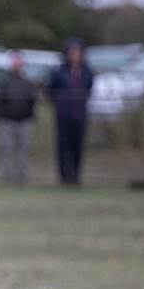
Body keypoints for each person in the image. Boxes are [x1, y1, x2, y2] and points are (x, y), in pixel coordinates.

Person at [47, 38, 94, 185]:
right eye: (72, 51)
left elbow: (89, 88)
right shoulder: (59, 72)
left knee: (78, 146)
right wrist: (59, 103)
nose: (75, 54)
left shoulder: (86, 72)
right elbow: (50, 90)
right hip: (63, 116)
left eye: (77, 51)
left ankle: (76, 176)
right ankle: (64, 177)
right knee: (63, 146)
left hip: (79, 115)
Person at [0, 50, 38, 185]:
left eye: (19, 62)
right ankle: (7, 179)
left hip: (25, 122)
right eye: (15, 61)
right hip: (7, 122)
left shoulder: (28, 83)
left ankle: (22, 179)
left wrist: (29, 116)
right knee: (6, 151)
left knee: (23, 152)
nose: (17, 64)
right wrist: (4, 115)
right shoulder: (4, 82)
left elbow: (32, 101)